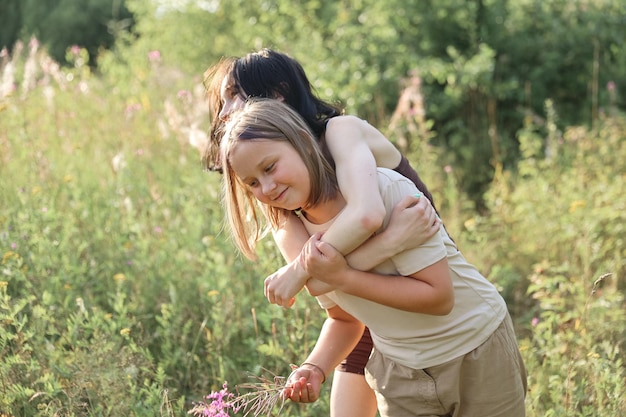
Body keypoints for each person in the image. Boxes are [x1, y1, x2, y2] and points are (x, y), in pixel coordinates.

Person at [219, 98, 528, 417]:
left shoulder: (385, 190)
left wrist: (344, 277)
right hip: (399, 368)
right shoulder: (298, 233)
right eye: (252, 183)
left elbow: (439, 298)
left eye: (270, 167)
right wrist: (315, 367)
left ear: (304, 143)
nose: (267, 187)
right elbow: (344, 318)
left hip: (473, 346)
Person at [203, 49, 442, 417]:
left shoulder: (341, 133)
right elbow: (325, 288)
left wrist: (304, 270)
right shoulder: (280, 200)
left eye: (234, 94)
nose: (223, 113)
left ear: (277, 94)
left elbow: (363, 218)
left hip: (426, 286)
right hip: (371, 311)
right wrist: (386, 243)